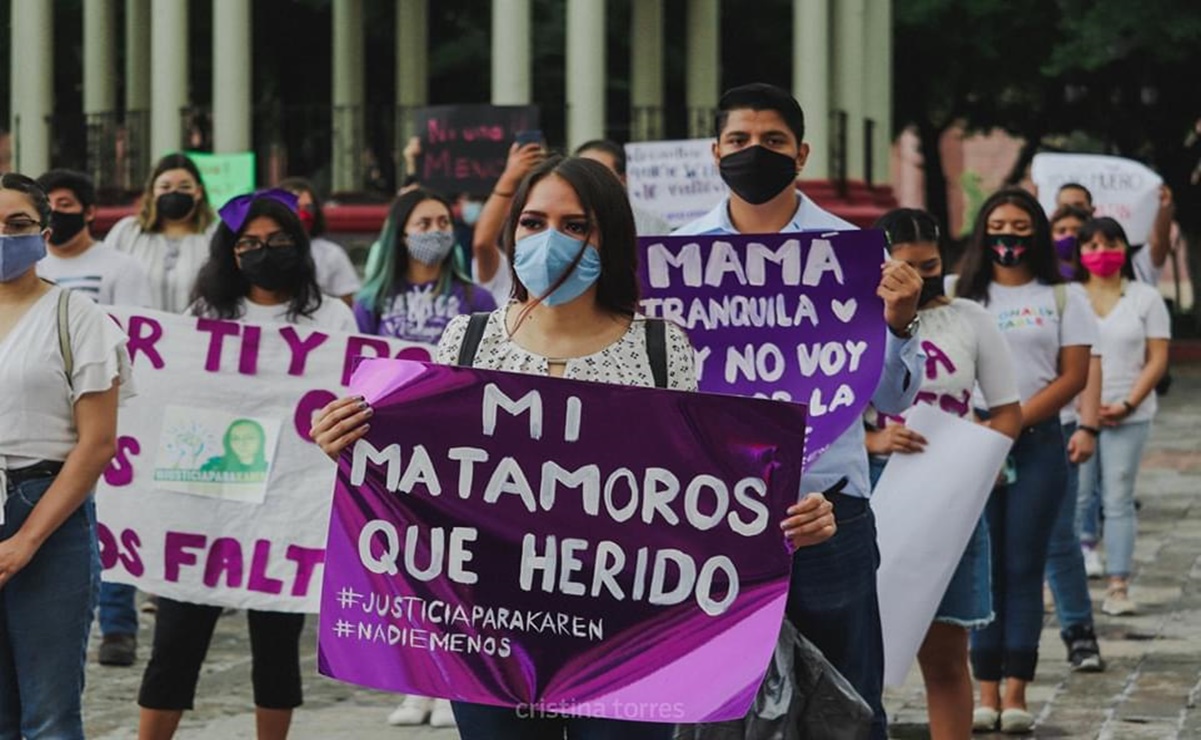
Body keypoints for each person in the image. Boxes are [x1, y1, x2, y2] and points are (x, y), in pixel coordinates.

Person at [310, 155, 839, 740]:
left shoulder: (663, 350)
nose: (550, 240)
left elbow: (702, 492)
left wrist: (784, 516)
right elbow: (422, 479)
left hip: (630, 634)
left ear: (609, 236)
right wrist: (349, 437)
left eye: (576, 225)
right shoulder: (469, 339)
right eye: (534, 223)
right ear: (512, 234)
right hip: (487, 629)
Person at [672, 82, 924, 740]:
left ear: (801, 152)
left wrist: (898, 325)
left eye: (773, 141)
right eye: (739, 141)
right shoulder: (677, 258)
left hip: (827, 512)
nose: (754, 152)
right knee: (717, 705)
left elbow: (893, 401)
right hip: (713, 515)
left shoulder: (855, 254)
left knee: (847, 703)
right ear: (714, 151)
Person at [137, 190, 354, 740]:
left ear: (299, 245)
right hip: (208, 498)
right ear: (229, 253)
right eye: (249, 243)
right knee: (175, 642)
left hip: (287, 500)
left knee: (277, 647)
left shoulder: (332, 317)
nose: (264, 252)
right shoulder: (207, 314)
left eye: (277, 241)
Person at [864, 209, 1022, 740]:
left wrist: (976, 461)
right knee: (858, 652)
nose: (918, 279)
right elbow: (826, 412)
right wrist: (873, 439)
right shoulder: (854, 316)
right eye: (904, 267)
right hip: (872, 486)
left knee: (947, 655)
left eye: (929, 266)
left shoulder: (970, 318)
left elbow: (1007, 410)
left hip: (950, 493)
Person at [954, 188, 1095, 734]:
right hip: (970, 440)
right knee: (981, 570)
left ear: (1036, 233)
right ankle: (983, 689)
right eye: (997, 226)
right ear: (982, 232)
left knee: (1023, 567)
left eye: (1019, 227)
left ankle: (1017, 690)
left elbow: (1074, 376)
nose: (1007, 237)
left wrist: (1010, 426)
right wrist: (983, 430)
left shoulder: (1064, 298)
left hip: (1037, 443)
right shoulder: (958, 296)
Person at [0, 172, 132, 739]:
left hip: (45, 511)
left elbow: (97, 443)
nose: (4, 236)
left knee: (49, 715)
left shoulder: (77, 318)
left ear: (45, 232)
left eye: (18, 224)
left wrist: (25, 541)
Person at [33, 168, 151, 667]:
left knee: (112, 514)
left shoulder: (120, 267)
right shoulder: (24, 273)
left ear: (86, 211)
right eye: (47, 206)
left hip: (102, 407)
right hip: (40, 417)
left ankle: (118, 623)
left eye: (64, 204)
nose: (56, 214)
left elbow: (139, 338)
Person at [1073, 217, 1171, 616]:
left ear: (1124, 248)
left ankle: (1118, 584)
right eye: (1091, 245)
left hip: (1128, 415)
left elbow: (1158, 357)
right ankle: (1067, 580)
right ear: (1079, 252)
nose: (1100, 252)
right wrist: (1084, 409)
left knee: (1117, 498)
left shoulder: (1145, 298)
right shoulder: (1069, 297)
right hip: (1077, 415)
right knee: (1075, 499)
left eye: (1109, 243)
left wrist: (1128, 403)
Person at [1043, 204, 1108, 674]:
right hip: (986, 434)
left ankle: (1079, 631)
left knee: (1058, 539)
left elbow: (1090, 367)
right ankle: (994, 651)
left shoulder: (1068, 295)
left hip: (1054, 429)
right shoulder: (977, 293)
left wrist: (1087, 426)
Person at [354, 189, 496, 345]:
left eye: (444, 222)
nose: (436, 230)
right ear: (402, 235)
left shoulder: (479, 299)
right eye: (424, 224)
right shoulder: (370, 301)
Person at [105, 153, 218, 313]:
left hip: (199, 335)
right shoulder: (127, 232)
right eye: (165, 187)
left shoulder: (216, 234)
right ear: (152, 192)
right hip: (139, 335)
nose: (174, 192)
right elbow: (105, 282)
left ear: (198, 192)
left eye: (184, 187)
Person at [35, 169, 153, 308]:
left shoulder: (123, 267)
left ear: (89, 212)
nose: (53, 212)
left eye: (65, 204)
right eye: (46, 207)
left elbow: (134, 323)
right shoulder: (28, 267)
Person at [1054, 181, 1175, 286]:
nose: (1101, 250)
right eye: (1062, 230)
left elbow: (1159, 244)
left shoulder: (1134, 262)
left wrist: (1164, 208)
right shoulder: (1046, 267)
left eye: (1078, 205)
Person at [278, 177, 362, 304]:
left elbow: (347, 302)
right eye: (295, 208)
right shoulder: (264, 252)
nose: (302, 214)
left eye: (308, 208)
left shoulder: (331, 254)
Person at [573, 139, 673, 236]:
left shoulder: (652, 226)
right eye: (583, 173)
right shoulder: (562, 220)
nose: (590, 180)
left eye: (600, 174)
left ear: (622, 180)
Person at [199, 419, 269, 475]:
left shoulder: (268, 470)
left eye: (249, 438)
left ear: (261, 440)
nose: (242, 443)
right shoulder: (212, 468)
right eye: (236, 439)